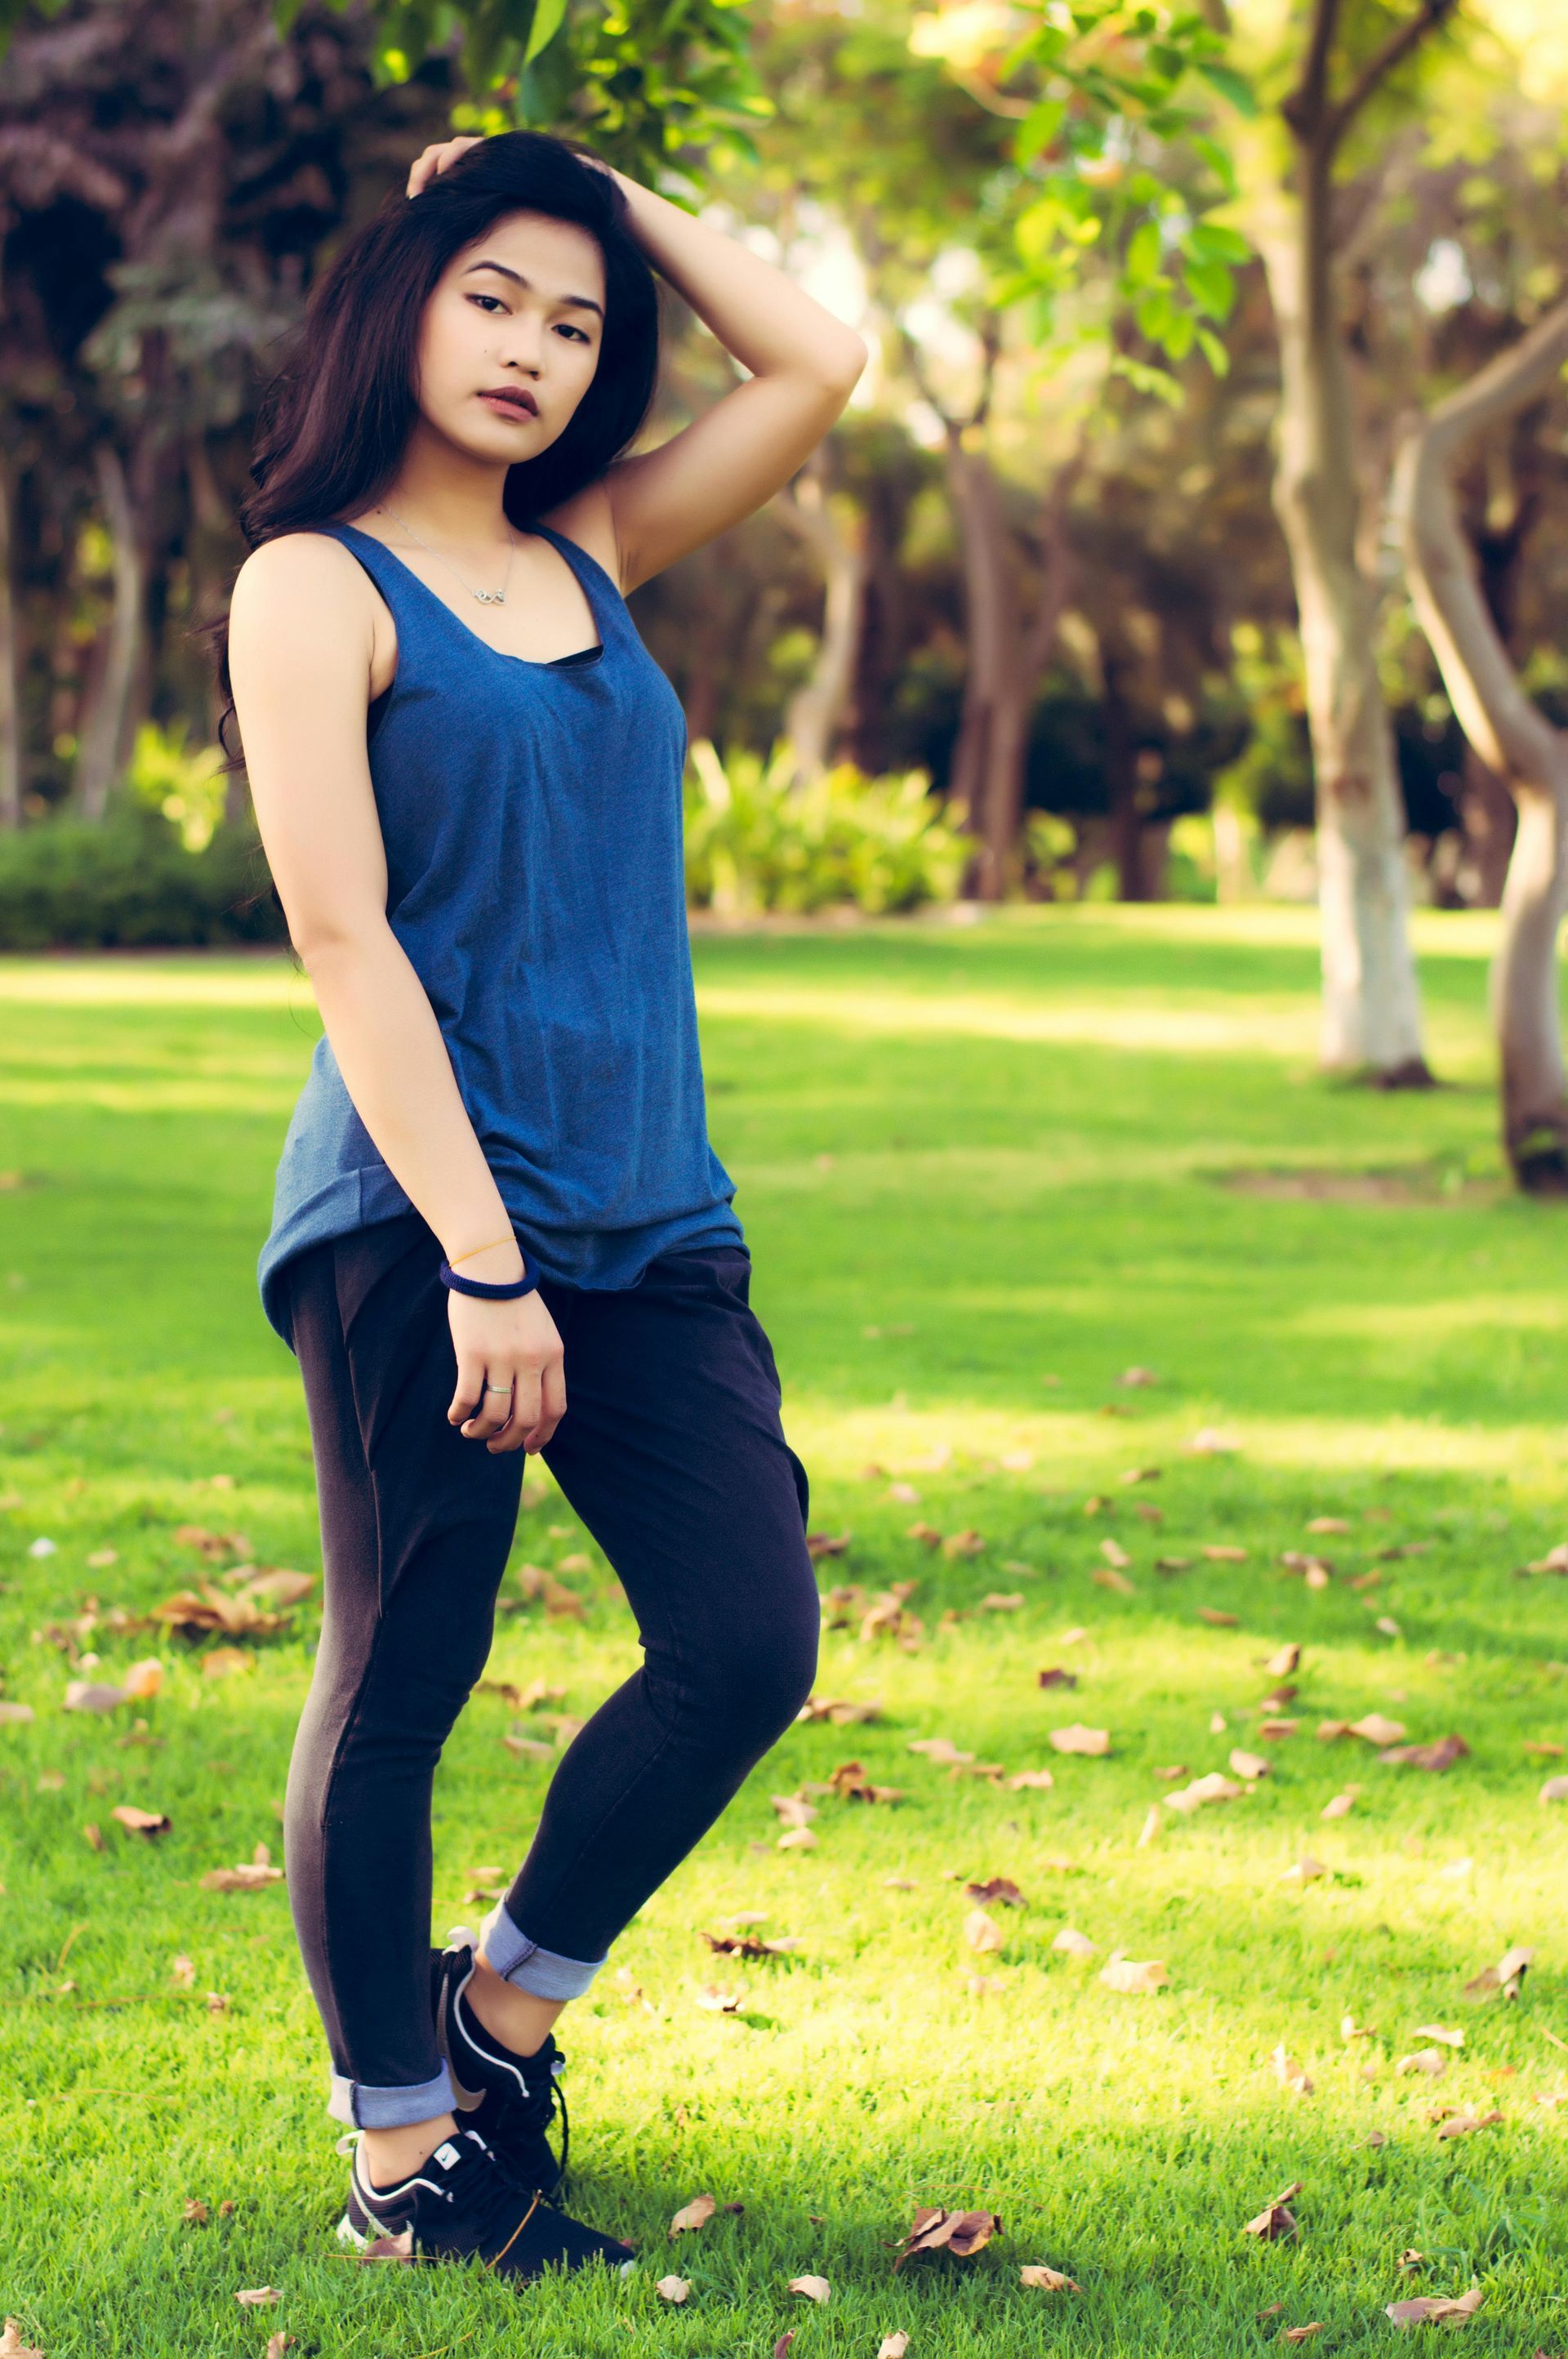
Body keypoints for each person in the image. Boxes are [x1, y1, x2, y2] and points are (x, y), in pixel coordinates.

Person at [220, 127, 866, 2285]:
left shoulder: (589, 545)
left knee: (747, 1640)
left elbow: (818, 364)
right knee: (406, 1662)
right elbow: (343, 937)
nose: (532, 347)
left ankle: (492, 2016)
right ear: (401, 302)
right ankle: (407, 2161)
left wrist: (589, 185)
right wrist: (483, 1262)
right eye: (491, 292)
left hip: (652, 1214)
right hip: (424, 1221)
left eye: (577, 324)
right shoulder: (313, 585)